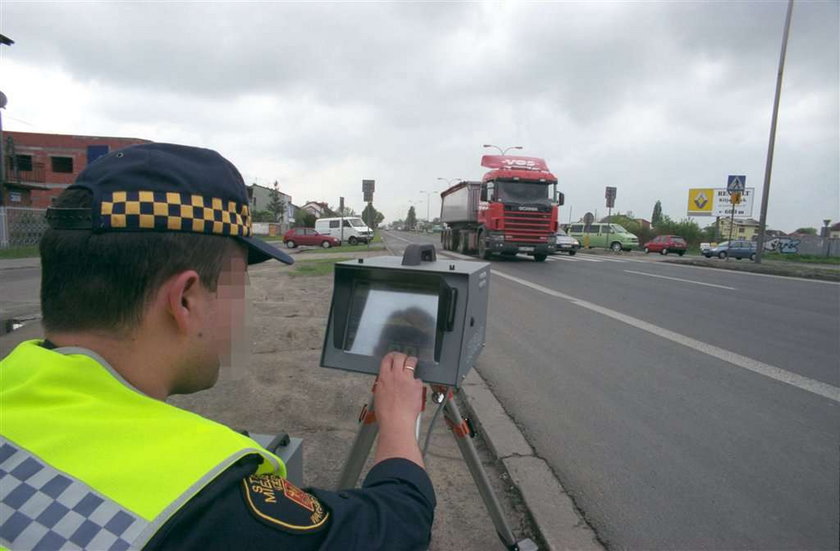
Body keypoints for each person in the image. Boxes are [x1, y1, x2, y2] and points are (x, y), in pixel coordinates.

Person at [0, 143, 434, 550]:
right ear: (185, 300)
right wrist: (397, 420)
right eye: (237, 286)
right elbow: (397, 526)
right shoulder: (204, 500)